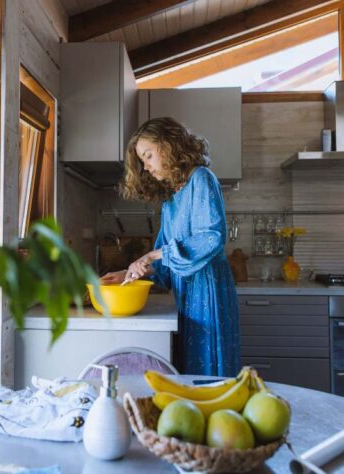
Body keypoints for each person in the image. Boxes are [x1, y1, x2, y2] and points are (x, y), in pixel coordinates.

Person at [100, 117, 240, 377]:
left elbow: (211, 237)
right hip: (186, 293)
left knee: (209, 367)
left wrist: (150, 254)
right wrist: (131, 272)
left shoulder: (201, 178)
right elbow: (166, 262)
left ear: (169, 144)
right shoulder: (172, 198)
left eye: (149, 156)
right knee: (190, 368)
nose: (147, 167)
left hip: (208, 290)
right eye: (142, 161)